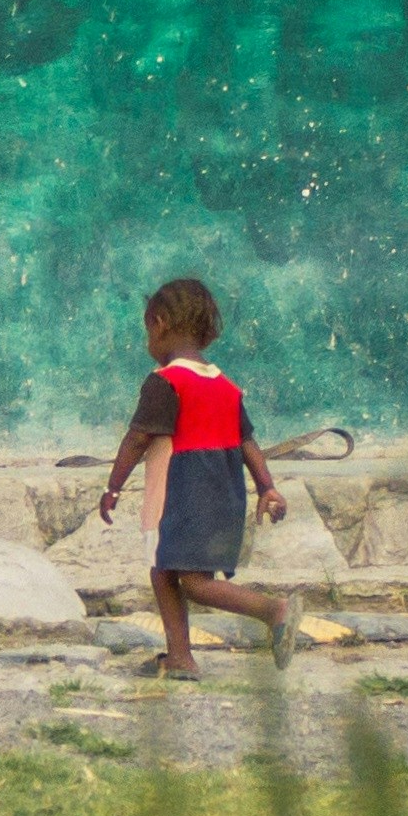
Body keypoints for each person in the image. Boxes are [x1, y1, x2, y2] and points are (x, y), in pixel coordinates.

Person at [92, 273, 295, 677]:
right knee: (164, 568)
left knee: (195, 582)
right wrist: (267, 487)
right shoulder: (225, 385)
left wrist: (112, 486)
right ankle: (180, 658)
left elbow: (137, 439)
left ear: (160, 324)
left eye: (147, 329)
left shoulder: (165, 382)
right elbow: (248, 442)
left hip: (183, 492)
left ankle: (274, 611)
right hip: (224, 493)